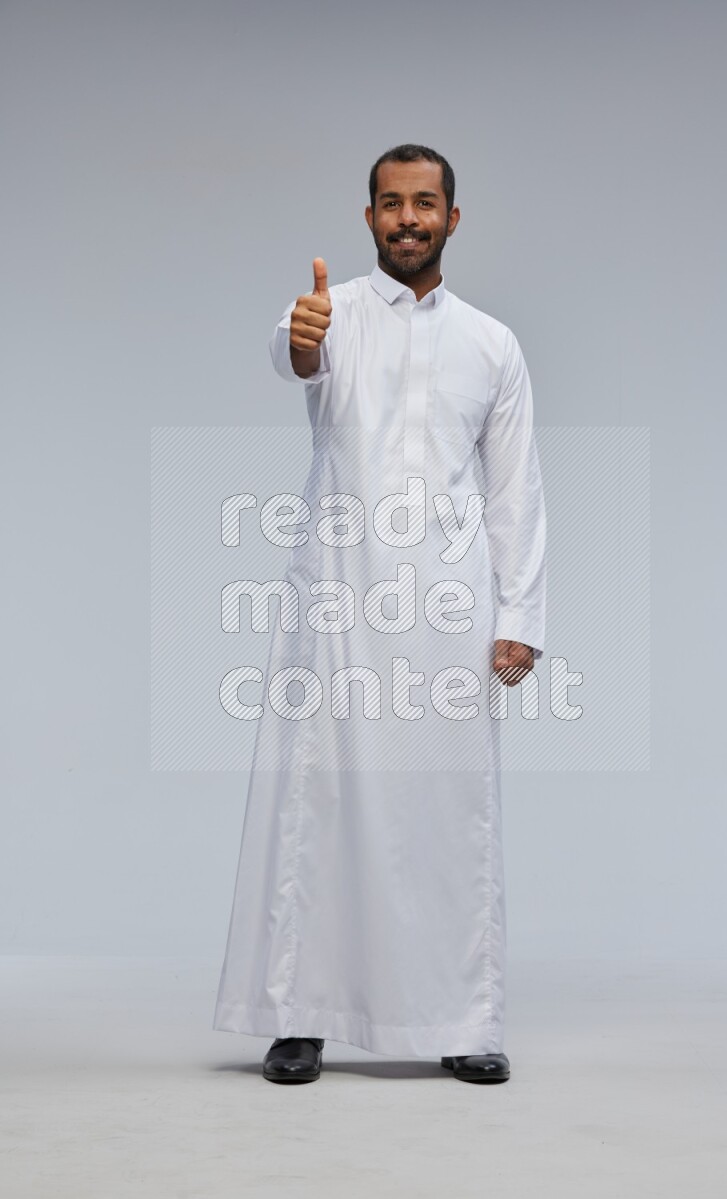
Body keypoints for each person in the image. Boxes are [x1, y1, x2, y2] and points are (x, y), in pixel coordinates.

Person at [213, 144, 546, 1085]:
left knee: (451, 810)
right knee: (317, 801)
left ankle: (464, 1017)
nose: (408, 218)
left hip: (448, 609)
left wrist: (517, 610)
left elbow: (517, 487)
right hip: (338, 599)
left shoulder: (492, 343)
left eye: (425, 203)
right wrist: (302, 338)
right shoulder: (332, 315)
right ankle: (298, 1014)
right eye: (391, 204)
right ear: (369, 219)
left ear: (452, 218)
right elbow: (292, 354)